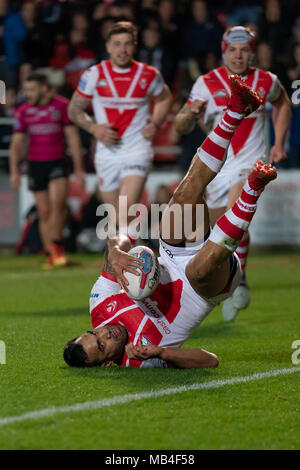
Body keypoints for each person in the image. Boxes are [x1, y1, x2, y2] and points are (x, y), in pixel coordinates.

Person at [63, 75, 277, 369]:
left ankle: (236, 109)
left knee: (186, 192)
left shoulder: (100, 307)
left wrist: (115, 251)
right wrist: (163, 353)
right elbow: (210, 361)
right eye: (102, 345)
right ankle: (254, 186)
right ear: (108, 363)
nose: (104, 333)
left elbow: (122, 236)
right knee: (200, 269)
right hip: (207, 288)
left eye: (93, 333)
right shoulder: (140, 359)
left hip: (172, 257)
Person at [175, 25, 291, 322]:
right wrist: (188, 115)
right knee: (218, 232)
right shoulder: (205, 82)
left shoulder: (267, 80)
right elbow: (181, 126)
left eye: (244, 50)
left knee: (235, 209)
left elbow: (283, 104)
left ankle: (241, 280)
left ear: (252, 52)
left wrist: (278, 143)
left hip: (249, 163)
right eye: (232, 50)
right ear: (224, 50)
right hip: (217, 167)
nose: (238, 55)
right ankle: (231, 279)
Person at [67, 21, 172, 239]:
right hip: (106, 153)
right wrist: (94, 128)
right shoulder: (94, 74)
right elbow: (74, 110)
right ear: (108, 46)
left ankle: (129, 267)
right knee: (116, 218)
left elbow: (165, 98)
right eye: (117, 44)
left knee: (124, 211)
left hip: (137, 149)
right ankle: (137, 252)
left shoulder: (148, 74)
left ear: (134, 46)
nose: (122, 50)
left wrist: (156, 123)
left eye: (126, 44)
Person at [9, 73, 85, 268]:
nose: (27, 94)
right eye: (25, 90)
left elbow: (73, 138)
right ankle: (51, 253)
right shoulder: (24, 110)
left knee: (58, 205)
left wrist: (78, 168)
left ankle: (57, 247)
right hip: (35, 165)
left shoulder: (61, 106)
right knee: (43, 212)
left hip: (58, 162)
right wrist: (15, 171)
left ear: (44, 88)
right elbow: (16, 143)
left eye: (31, 89)